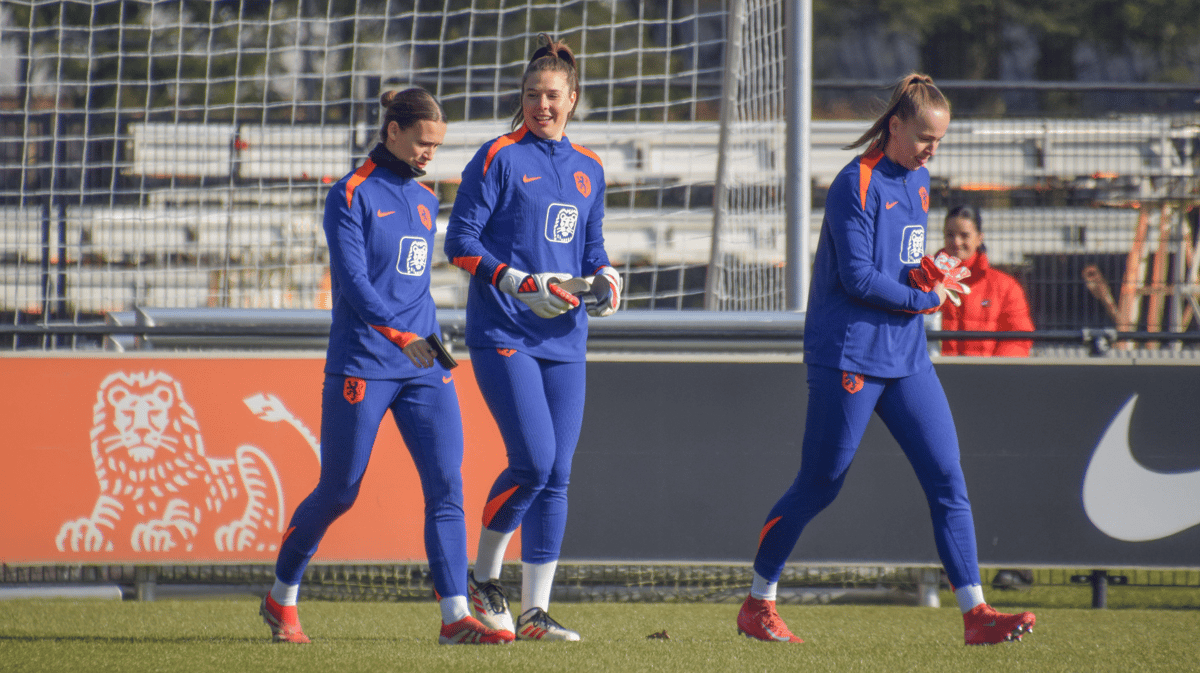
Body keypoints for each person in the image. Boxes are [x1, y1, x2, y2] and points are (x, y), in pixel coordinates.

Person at [736, 73, 1036, 646]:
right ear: (895, 126)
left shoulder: (918, 178)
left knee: (948, 479)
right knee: (820, 484)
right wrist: (924, 296)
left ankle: (976, 615)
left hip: (905, 357)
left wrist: (927, 268)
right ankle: (758, 601)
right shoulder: (857, 180)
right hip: (849, 353)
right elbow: (857, 277)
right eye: (925, 136)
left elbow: (896, 261)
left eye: (939, 139)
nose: (932, 149)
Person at [260, 88, 514, 646]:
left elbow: (414, 288)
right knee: (341, 489)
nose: (430, 153)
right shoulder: (349, 194)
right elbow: (354, 286)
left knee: (447, 483)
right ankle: (281, 598)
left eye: (437, 145)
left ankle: (454, 618)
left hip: (423, 359)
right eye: (423, 142)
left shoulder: (425, 199)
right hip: (366, 360)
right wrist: (400, 335)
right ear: (392, 131)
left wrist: (431, 344)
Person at [443, 33, 621, 643]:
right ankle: (484, 579)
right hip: (503, 331)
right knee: (534, 462)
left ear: (572, 99)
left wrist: (606, 274)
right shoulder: (497, 156)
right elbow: (459, 242)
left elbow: (590, 246)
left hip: (566, 338)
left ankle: (535, 614)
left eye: (552, 95)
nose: (541, 105)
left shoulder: (589, 167)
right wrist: (515, 279)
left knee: (559, 473)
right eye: (531, 95)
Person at [938, 205, 1034, 357]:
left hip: (988, 376)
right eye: (950, 235)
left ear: (979, 238)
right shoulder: (926, 280)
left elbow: (1018, 338)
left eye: (964, 235)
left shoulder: (1005, 287)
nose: (956, 241)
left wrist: (995, 372)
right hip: (934, 375)